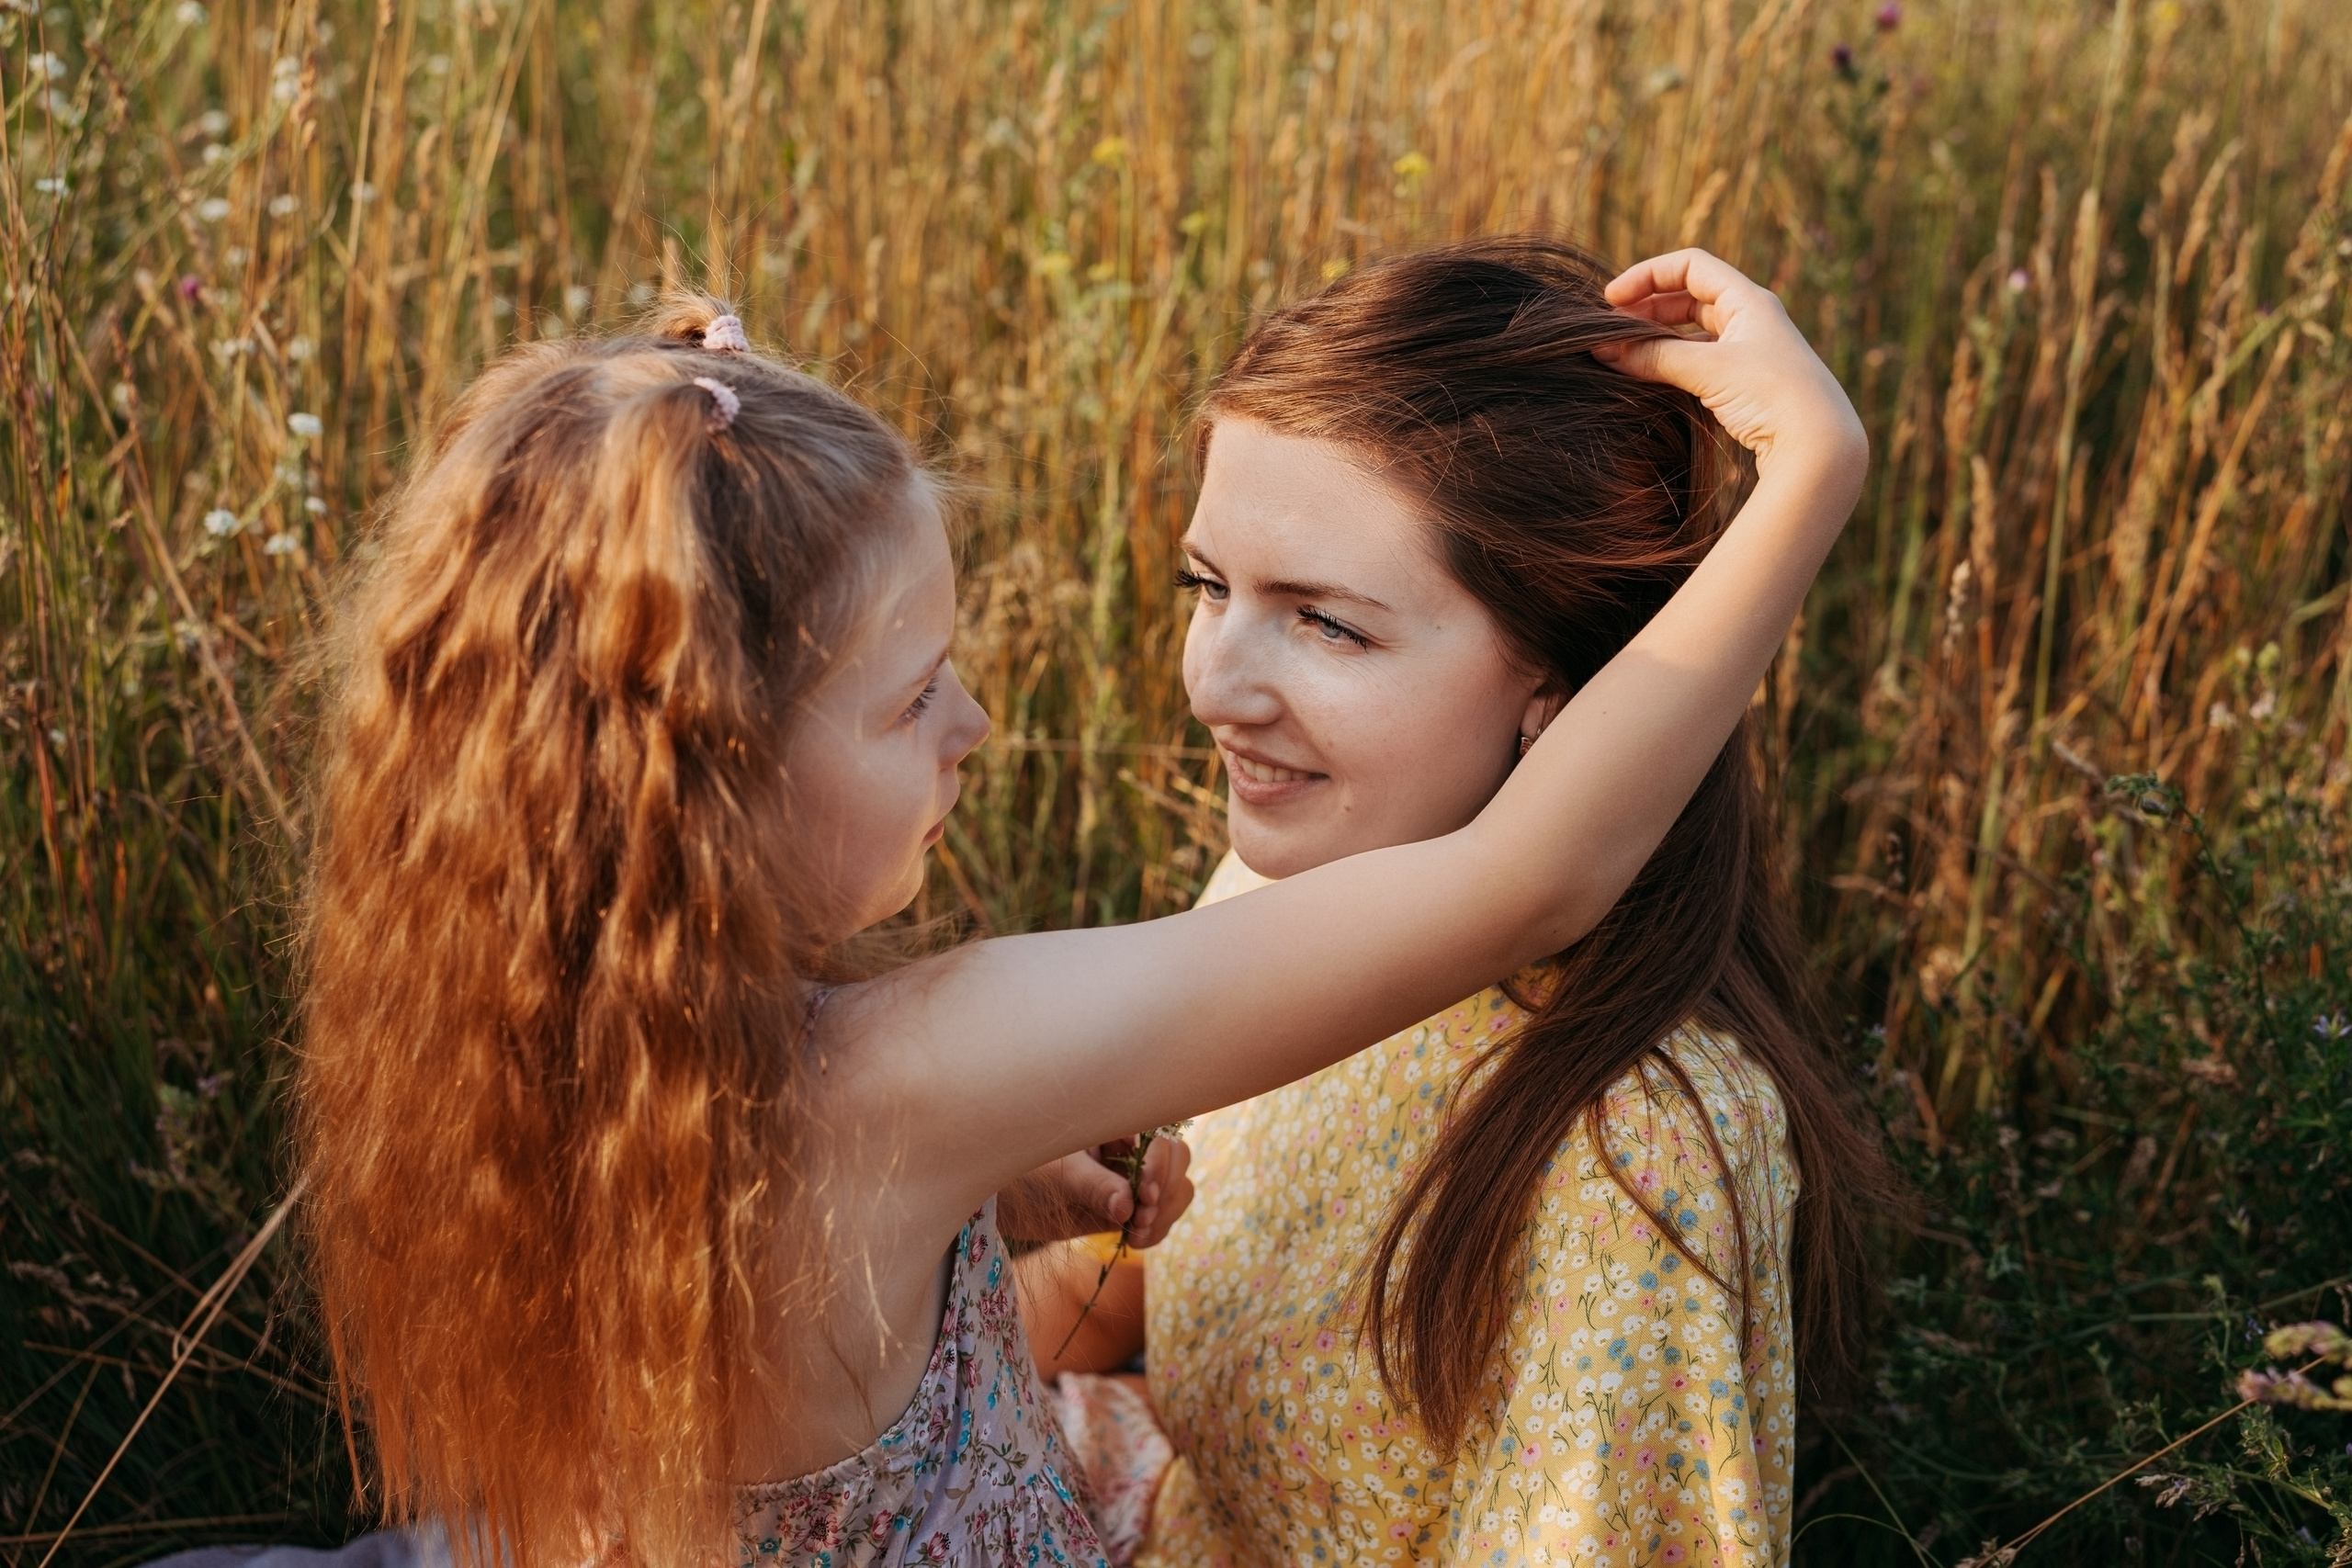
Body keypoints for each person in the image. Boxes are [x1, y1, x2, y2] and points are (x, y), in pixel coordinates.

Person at [292, 246, 1862, 1568]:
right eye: (912, 698)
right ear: (707, 779)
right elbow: (1534, 882)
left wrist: (972, 1220)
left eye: (1324, 620)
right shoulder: (908, 1074)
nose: (975, 725)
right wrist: (1813, 474)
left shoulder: (544, 1039)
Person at [1028, 240, 1892, 1568]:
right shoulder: (1290, 870)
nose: (1215, 686)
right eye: (1214, 588)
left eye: (1328, 624)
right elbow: (1146, 1299)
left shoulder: (1627, 1167)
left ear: (1565, 686)